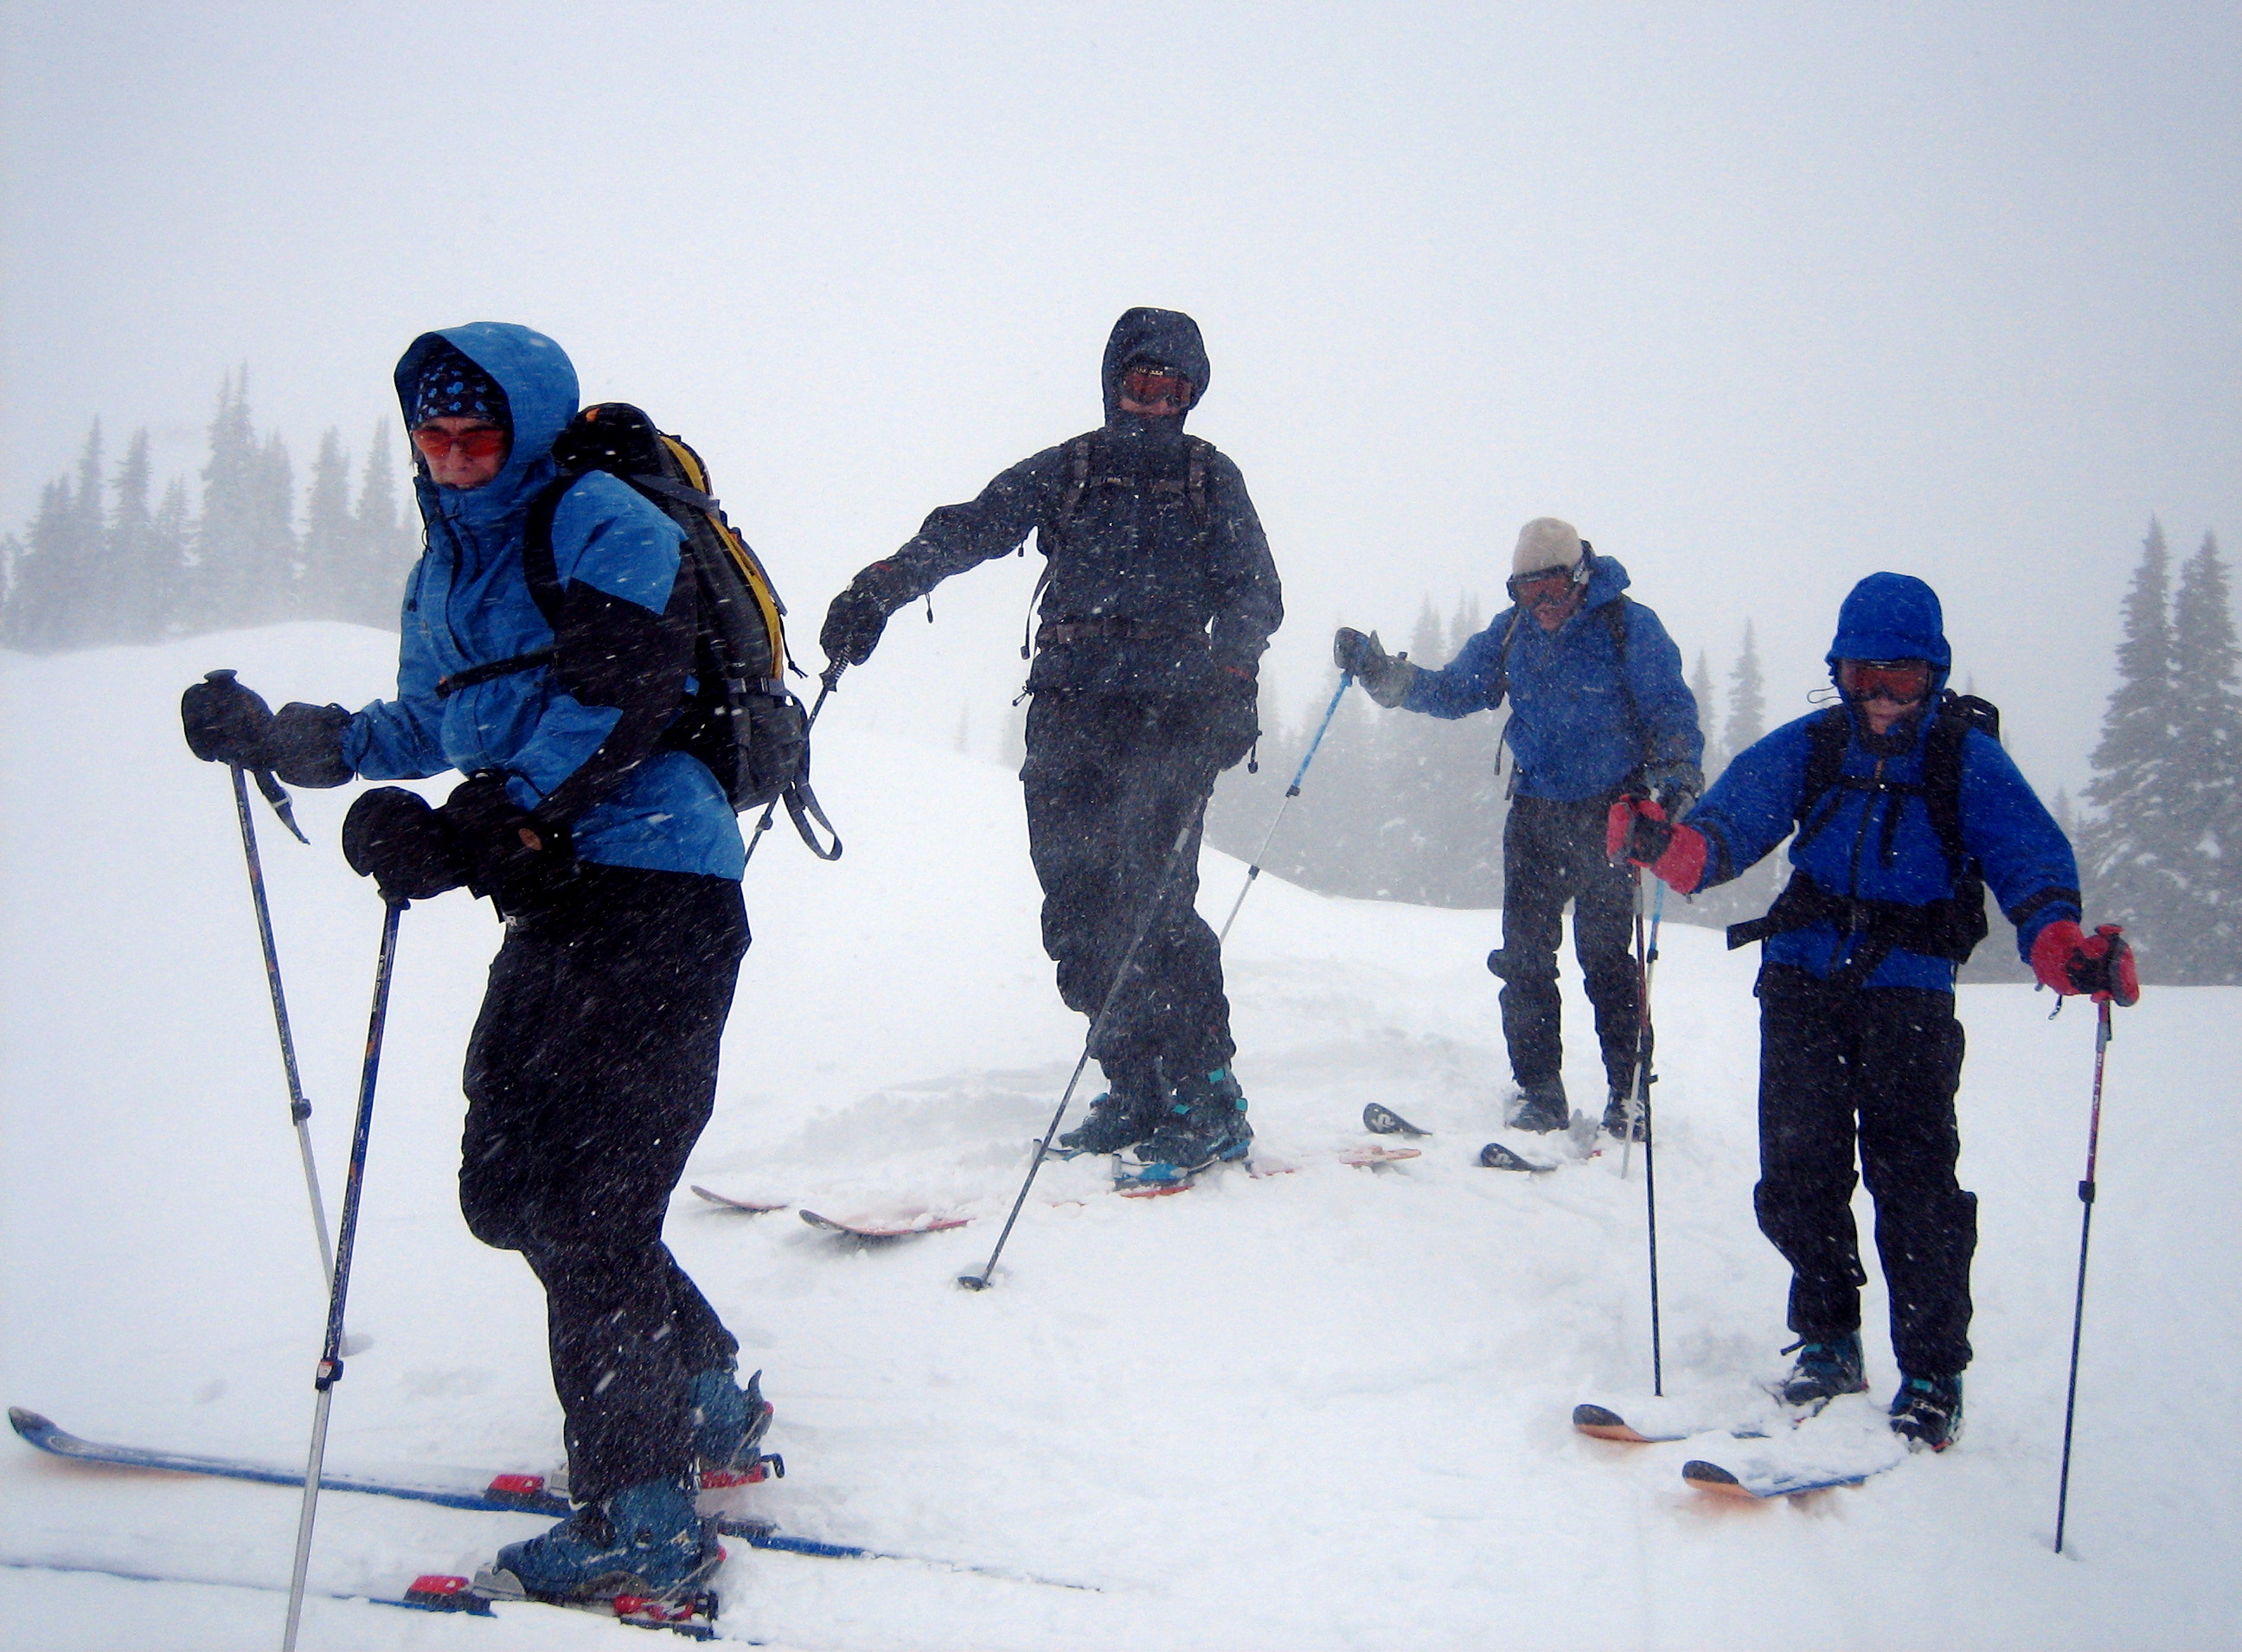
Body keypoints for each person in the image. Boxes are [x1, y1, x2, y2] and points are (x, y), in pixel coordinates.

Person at [178, 323, 767, 1604]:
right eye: (433, 436)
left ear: (529, 427)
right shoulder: (447, 563)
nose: (452, 457)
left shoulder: (601, 519)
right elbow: (432, 721)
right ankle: (703, 1393)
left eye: (477, 434)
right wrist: (287, 740)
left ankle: (644, 1516)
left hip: (660, 886)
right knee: (508, 1186)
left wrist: (499, 816)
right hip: (554, 898)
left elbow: (620, 695)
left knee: (593, 1206)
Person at [1608, 572, 2137, 1450]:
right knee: (1798, 1171)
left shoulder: (1965, 759)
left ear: (1934, 675)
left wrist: (2062, 948)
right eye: (1862, 676)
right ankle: (1828, 1341)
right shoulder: (1813, 745)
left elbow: (2031, 865)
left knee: (1915, 1183)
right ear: (1839, 673)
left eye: (1902, 677)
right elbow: (1723, 836)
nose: (1882, 697)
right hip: (1801, 978)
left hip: (1910, 992)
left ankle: (1931, 1374)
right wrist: (1663, 842)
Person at [819, 308, 1281, 1184]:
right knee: (1076, 907)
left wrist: (1232, 679)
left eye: (1174, 390)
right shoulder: (1071, 468)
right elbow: (972, 526)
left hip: (1169, 714)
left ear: (1193, 397)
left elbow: (1254, 590)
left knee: (1155, 904)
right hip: (1069, 712)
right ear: (1114, 385)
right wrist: (882, 586)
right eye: (1141, 385)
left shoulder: (1208, 477)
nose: (1156, 404)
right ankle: (1136, 1084)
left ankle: (1210, 1097)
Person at [1335, 517, 1702, 1142]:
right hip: (1535, 814)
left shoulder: (1628, 627)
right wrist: (1379, 673)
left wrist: (1675, 778)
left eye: (1552, 588)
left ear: (1580, 576)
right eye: (1526, 591)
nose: (1541, 604)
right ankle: (1540, 1093)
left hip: (1613, 815)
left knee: (1607, 959)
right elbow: (1453, 690)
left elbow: (1670, 710)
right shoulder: (1513, 633)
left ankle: (1628, 1094)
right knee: (1526, 959)